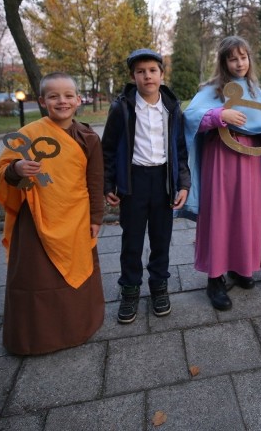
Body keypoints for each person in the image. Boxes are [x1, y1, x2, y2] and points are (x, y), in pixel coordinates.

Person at [0, 72, 104, 355]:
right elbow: (1, 172)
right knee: (36, 275)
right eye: (54, 96)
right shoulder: (28, 135)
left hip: (76, 215)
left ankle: (78, 327)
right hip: (36, 217)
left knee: (77, 270)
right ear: (42, 102)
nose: (62, 101)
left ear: (79, 100)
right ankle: (36, 337)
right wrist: (16, 170)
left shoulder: (88, 137)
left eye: (68, 95)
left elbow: (95, 181)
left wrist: (96, 217)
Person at [183, 36, 261, 310]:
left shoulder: (257, 91)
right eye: (232, 58)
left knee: (245, 213)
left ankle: (240, 268)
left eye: (243, 57)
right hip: (221, 157)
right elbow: (191, 117)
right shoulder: (213, 90)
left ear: (249, 59)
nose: (239, 63)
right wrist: (219, 116)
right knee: (220, 213)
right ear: (224, 61)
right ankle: (214, 278)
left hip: (250, 160)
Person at [102, 49, 191, 323]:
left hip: (163, 181)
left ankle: (158, 286)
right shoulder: (122, 108)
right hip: (134, 182)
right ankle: (129, 289)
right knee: (132, 240)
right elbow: (107, 149)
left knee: (161, 239)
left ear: (162, 75)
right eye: (141, 71)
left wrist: (183, 183)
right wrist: (108, 183)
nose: (147, 76)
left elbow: (180, 149)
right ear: (133, 77)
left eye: (152, 70)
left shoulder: (172, 108)